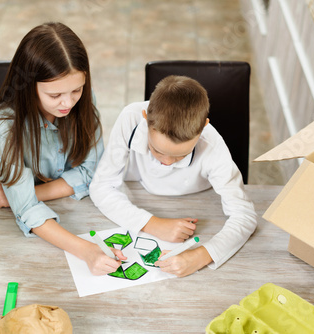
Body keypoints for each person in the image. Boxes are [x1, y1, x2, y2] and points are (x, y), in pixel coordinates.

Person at [0, 22, 126, 275]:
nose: (68, 102)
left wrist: (20, 195)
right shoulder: (4, 126)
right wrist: (87, 251)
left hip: (77, 208)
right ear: (28, 87)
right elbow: (26, 211)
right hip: (15, 228)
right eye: (55, 95)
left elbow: (92, 172)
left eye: (76, 90)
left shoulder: (83, 102)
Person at [89, 75, 257, 277]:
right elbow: (101, 187)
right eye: (156, 150)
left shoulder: (213, 146)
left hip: (198, 199)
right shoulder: (130, 118)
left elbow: (245, 215)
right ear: (145, 118)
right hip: (139, 191)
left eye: (180, 155)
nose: (166, 162)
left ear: (203, 128)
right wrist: (153, 224)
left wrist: (200, 256)